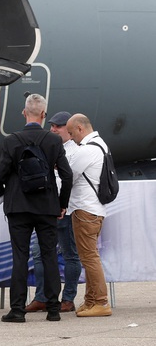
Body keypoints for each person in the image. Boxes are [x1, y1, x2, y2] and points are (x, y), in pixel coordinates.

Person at [0, 93, 73, 323]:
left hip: (18, 207)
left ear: (23, 112)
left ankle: (17, 310)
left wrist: (2, 194)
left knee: (20, 256)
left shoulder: (11, 141)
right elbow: (66, 176)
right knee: (49, 255)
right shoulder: (54, 141)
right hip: (47, 206)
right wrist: (62, 204)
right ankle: (54, 309)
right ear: (44, 115)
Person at [28, 110, 81, 313]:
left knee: (69, 255)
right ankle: (42, 297)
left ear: (69, 129)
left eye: (58, 126)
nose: (53, 129)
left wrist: (63, 204)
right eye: (51, 126)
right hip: (49, 209)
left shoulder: (75, 151)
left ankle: (68, 298)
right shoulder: (51, 147)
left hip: (66, 209)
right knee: (39, 254)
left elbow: (70, 179)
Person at [65, 114, 112, 317]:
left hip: (85, 209)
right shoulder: (100, 145)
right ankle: (91, 300)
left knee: (89, 258)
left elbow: (69, 174)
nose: (70, 137)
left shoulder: (88, 149)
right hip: (94, 209)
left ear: (80, 129)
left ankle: (101, 302)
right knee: (89, 257)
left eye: (71, 132)